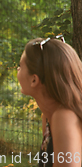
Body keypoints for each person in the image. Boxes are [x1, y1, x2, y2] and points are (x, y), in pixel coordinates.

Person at [17, 35, 82, 167]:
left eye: (20, 66)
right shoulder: (48, 116)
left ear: (34, 80)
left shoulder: (64, 116)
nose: (17, 69)